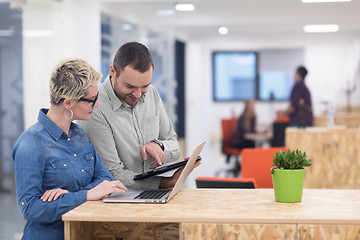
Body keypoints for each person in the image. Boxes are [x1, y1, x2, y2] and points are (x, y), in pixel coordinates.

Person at [12, 58, 128, 240]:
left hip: (81, 232)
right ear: (68, 103)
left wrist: (74, 196)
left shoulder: (79, 134)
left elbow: (105, 179)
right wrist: (87, 194)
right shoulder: (31, 143)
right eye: (92, 100)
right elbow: (30, 208)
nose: (96, 105)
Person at [78, 42, 196, 190]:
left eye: (145, 86)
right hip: (117, 199)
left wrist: (159, 147)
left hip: (150, 196)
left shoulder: (152, 93)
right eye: (130, 87)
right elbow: (113, 174)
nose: (138, 95)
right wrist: (164, 183)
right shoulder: (95, 107)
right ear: (113, 71)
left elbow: (174, 145)